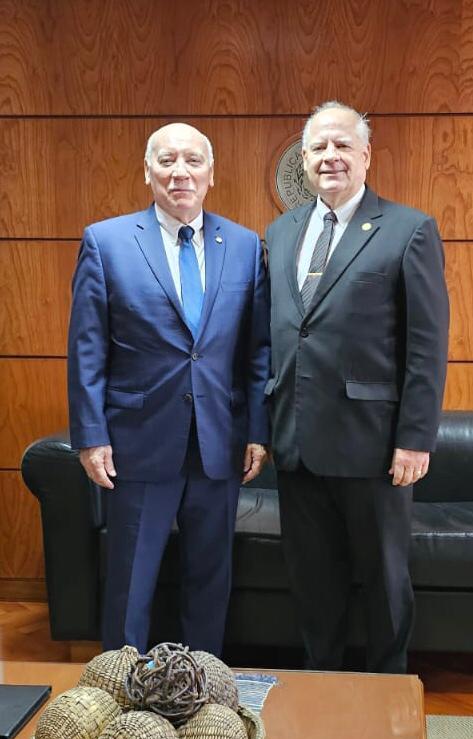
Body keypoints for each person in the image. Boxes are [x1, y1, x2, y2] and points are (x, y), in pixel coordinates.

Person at [68, 122, 270, 655]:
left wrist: (257, 430)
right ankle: (119, 687)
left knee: (210, 580)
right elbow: (87, 348)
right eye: (166, 160)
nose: (180, 172)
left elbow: (256, 351)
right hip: (137, 441)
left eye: (192, 161)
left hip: (219, 442)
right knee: (130, 582)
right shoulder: (106, 242)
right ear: (147, 172)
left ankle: (203, 686)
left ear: (211, 174)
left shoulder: (245, 246)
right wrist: (90, 436)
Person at [265, 101, 449, 673]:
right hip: (296, 443)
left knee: (384, 585)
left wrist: (415, 439)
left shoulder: (408, 229)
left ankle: (387, 692)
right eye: (318, 147)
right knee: (313, 584)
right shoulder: (281, 230)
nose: (331, 156)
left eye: (343, 145)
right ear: (304, 159)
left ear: (366, 155)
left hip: (372, 446)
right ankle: (322, 689)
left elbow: (426, 344)